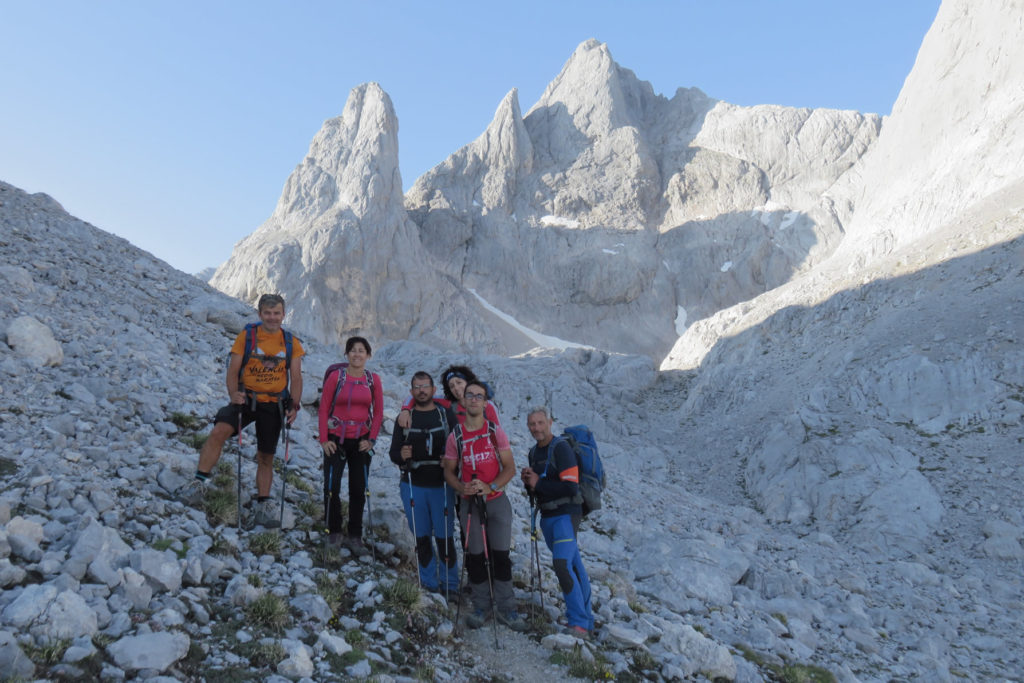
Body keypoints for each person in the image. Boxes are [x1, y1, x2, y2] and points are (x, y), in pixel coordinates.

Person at [181, 293, 304, 528]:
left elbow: (296, 377)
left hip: (273, 403)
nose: (272, 317)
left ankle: (263, 502)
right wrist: (232, 394)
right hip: (245, 399)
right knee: (219, 431)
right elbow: (233, 370)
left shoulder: (290, 343)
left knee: (266, 455)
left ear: (283, 314)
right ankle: (199, 481)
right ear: (260, 314)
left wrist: (294, 404)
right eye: (267, 313)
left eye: (276, 313)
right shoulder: (247, 336)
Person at [443, 380, 525, 631]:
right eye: (471, 395)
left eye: (480, 396)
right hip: (470, 504)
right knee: (476, 556)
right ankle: (481, 606)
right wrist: (460, 487)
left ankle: (507, 608)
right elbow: (448, 471)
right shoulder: (455, 435)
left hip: (496, 502)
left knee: (501, 556)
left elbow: (510, 468)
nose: (475, 400)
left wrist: (492, 487)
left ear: (485, 403)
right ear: (464, 401)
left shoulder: (494, 432)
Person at [521, 407, 594, 637]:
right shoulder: (534, 453)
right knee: (573, 565)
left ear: (550, 422)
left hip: (567, 514)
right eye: (532, 424)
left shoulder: (561, 449)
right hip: (548, 517)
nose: (537, 428)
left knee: (562, 564)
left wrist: (538, 483)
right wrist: (529, 483)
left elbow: (571, 486)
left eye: (540, 423)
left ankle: (578, 622)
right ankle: (587, 620)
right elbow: (539, 487)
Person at [389, 372, 459, 594]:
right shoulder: (404, 419)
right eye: (417, 387)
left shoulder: (445, 415)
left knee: (444, 537)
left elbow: (460, 446)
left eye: (425, 386)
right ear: (411, 392)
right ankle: (428, 583)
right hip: (413, 484)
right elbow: (393, 453)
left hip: (442, 486)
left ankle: (451, 585)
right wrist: (402, 454)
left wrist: (450, 460)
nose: (421, 390)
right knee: (422, 537)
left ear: (433, 389)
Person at [319, 336, 383, 553]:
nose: (357, 354)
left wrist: (371, 439)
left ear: (368, 355)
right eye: (353, 350)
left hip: (361, 441)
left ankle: (355, 535)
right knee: (331, 487)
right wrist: (324, 439)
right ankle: (333, 531)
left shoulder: (373, 379)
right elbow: (323, 407)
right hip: (335, 439)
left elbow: (379, 412)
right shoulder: (336, 377)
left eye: (361, 351)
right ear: (346, 354)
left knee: (358, 489)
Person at [396, 365, 501, 429]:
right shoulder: (449, 403)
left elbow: (498, 436)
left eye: (459, 382)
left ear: (468, 382)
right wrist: (405, 410)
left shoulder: (487, 406)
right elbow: (415, 396)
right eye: (451, 386)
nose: (456, 388)